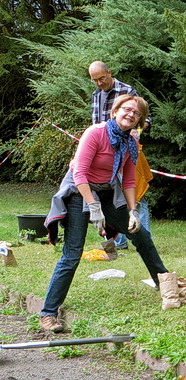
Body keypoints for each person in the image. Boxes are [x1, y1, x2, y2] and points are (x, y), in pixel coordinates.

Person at [42, 94, 169, 333]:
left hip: (108, 191)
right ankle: (48, 313)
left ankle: (166, 285)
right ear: (115, 110)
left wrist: (133, 210)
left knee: (140, 235)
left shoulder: (131, 141)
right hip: (80, 191)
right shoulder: (96, 133)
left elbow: (129, 179)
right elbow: (79, 173)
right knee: (72, 253)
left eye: (137, 114)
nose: (131, 115)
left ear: (139, 121)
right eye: (127, 109)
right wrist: (93, 206)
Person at [88, 60, 151, 250]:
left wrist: (133, 135)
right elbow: (95, 124)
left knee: (135, 192)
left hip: (126, 151)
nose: (99, 83)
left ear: (110, 72)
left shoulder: (127, 91)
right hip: (104, 153)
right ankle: (120, 241)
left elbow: (145, 119)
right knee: (113, 194)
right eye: (95, 80)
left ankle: (143, 239)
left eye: (102, 78)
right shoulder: (96, 95)